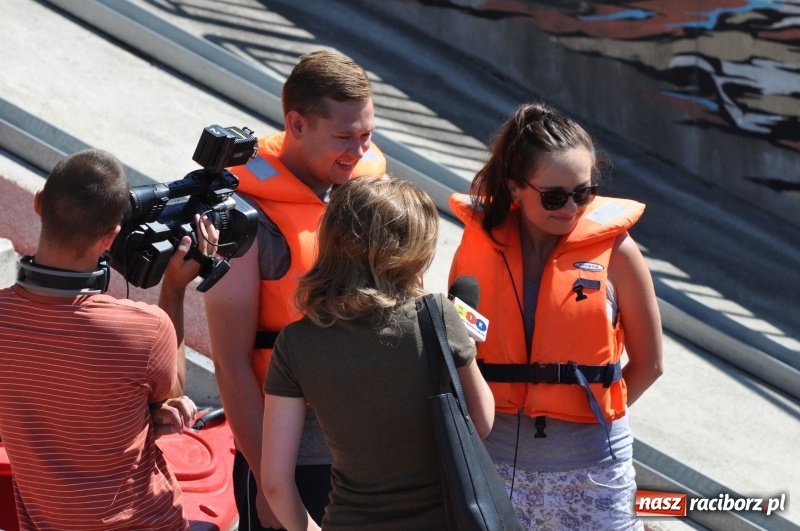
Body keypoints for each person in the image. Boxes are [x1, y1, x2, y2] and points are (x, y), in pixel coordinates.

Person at [449, 102, 664, 530]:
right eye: (554, 196)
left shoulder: (618, 253)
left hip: (593, 475)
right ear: (515, 187)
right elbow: (458, 355)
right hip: (494, 468)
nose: (571, 207)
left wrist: (592, 418)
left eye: (582, 193)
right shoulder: (476, 250)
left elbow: (650, 364)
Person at [203, 49, 386, 530]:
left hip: (368, 449)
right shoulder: (244, 219)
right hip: (292, 455)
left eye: (367, 136)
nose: (359, 151)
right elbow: (231, 362)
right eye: (345, 137)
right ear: (297, 124)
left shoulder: (363, 192)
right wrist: (270, 481)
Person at [259, 176, 495, 531]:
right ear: (413, 255)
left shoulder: (295, 343)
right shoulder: (437, 318)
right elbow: (481, 421)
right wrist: (465, 349)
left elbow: (275, 482)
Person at [0, 148, 214, 530]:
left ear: (37, 203)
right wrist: (175, 289)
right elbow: (172, 391)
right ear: (112, 236)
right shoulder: (146, 329)